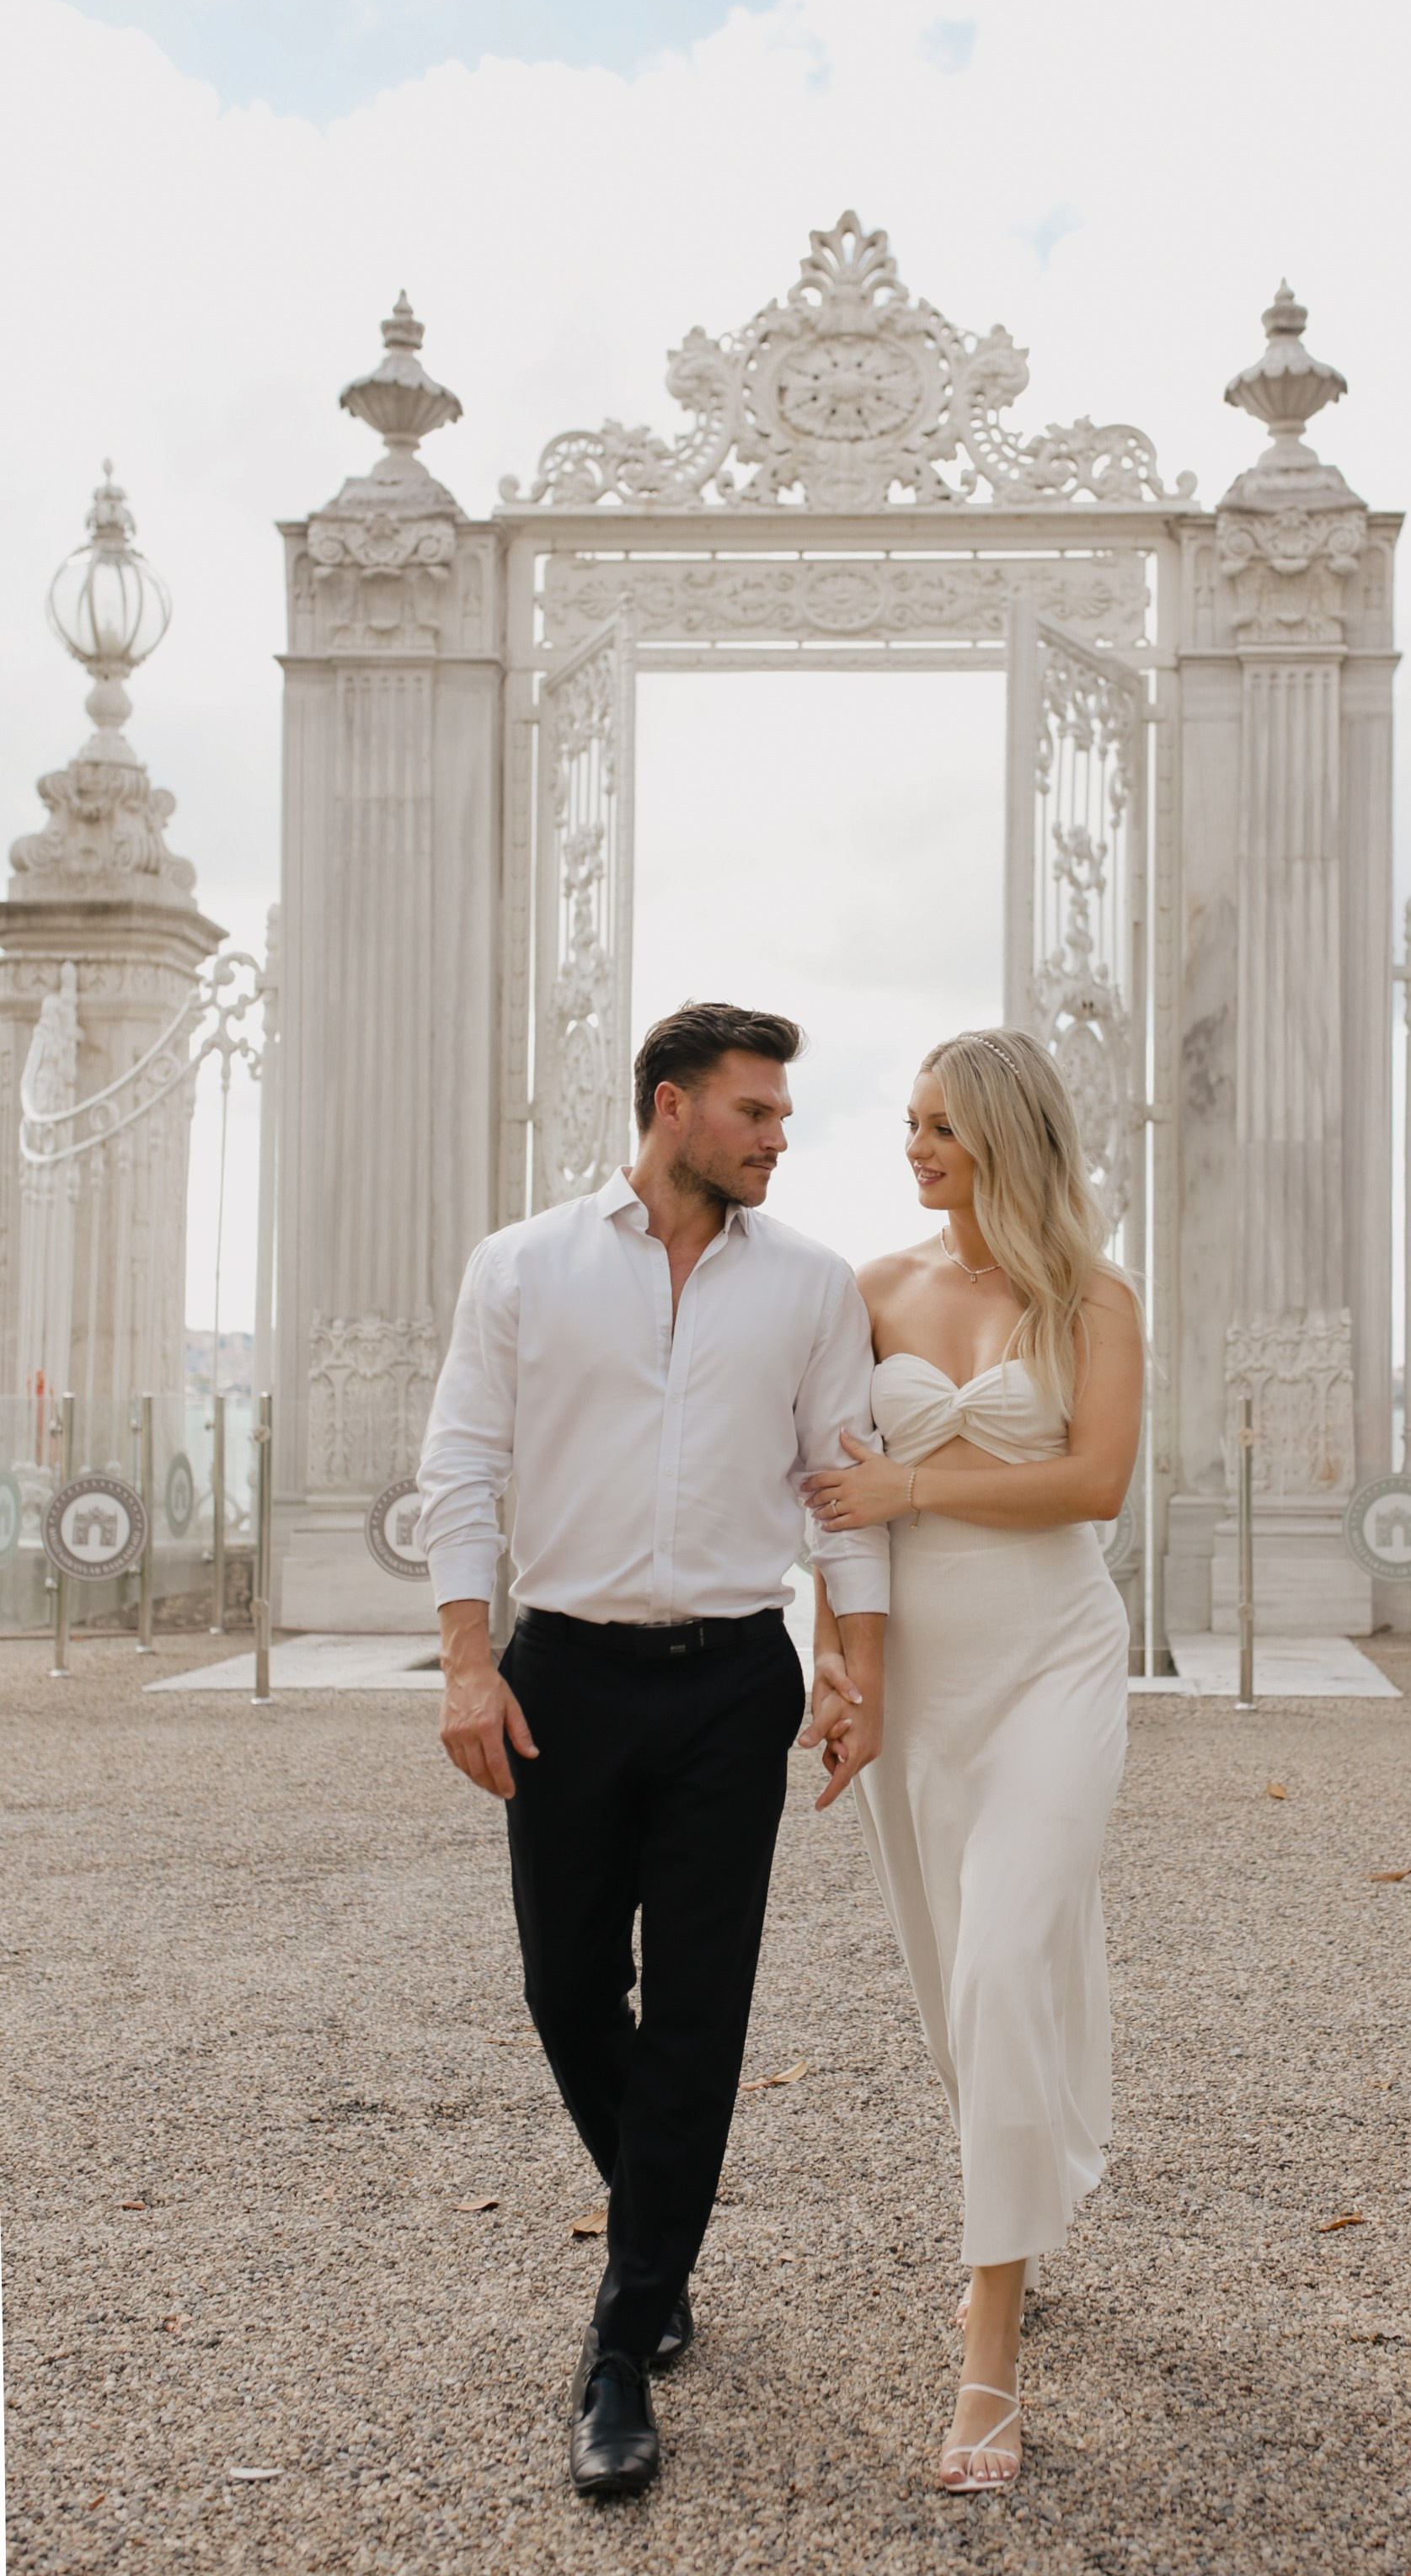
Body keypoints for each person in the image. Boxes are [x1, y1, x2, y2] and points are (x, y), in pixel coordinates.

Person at [414, 1003, 888, 2501]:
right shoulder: (523, 1265)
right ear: (673, 1108)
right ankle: (662, 2227)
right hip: (564, 1668)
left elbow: (841, 1486)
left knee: (701, 2000)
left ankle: (621, 2342)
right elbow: (464, 1463)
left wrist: (852, 1663)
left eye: (783, 1113)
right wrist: (466, 1663)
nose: (779, 1136)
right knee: (565, 1981)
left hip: (733, 1681)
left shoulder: (811, 1284)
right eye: (756, 1112)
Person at [799, 1028, 1142, 2493]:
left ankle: (987, 2362)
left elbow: (1094, 1479)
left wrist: (915, 1478)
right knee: (960, 1991)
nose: (916, 1148)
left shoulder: (1091, 1298)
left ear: (1006, 1135)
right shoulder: (867, 1293)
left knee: (1004, 1966)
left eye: (942, 1126)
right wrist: (842, 1665)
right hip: (920, 1685)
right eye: (912, 1125)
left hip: (1055, 1662)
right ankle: (1021, 2197)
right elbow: (834, 1507)